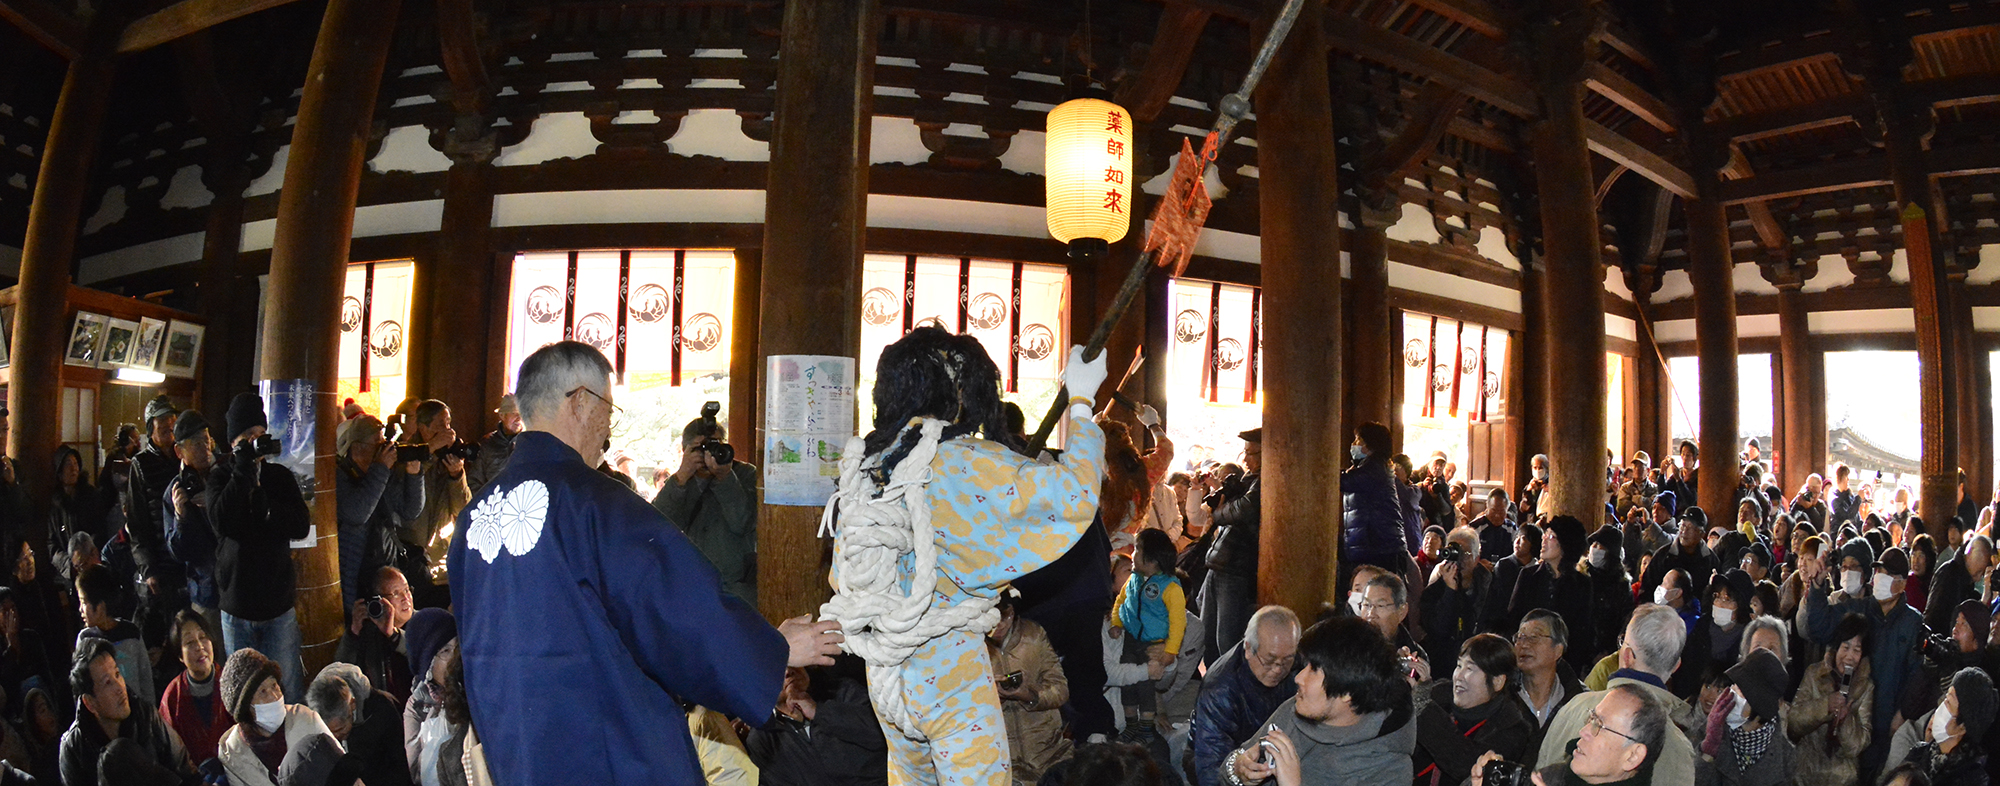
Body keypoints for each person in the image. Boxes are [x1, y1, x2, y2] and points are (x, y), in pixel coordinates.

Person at [447, 341, 841, 785]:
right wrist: (771, 650)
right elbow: (677, 610)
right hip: (606, 746)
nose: (606, 428)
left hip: (517, 748)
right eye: (607, 410)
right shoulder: (595, 503)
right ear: (579, 402)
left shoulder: (475, 517)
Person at [1223, 617, 1415, 786]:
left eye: (1314, 670)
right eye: (1305, 665)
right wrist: (1239, 770)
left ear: (1348, 691)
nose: (1298, 678)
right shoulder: (1295, 710)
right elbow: (1228, 770)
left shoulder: (1390, 770)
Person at [208, 394, 313, 702]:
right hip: (236, 607)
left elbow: (301, 524)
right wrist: (242, 471)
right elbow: (220, 521)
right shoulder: (220, 476)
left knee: (287, 689)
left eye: (259, 435)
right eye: (247, 437)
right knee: (244, 695)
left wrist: (269, 510)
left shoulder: (279, 477)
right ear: (233, 444)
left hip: (277, 606)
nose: (256, 442)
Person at [1537, 605, 1699, 786]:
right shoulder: (1681, 748)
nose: (1586, 730)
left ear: (1627, 656)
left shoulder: (1575, 706)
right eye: (1593, 720)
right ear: (1676, 666)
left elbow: (1540, 771)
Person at [1804, 542, 1926, 781]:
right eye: (1879, 572)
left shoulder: (1913, 623)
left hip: (1888, 724)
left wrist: (1902, 715)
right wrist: (1817, 586)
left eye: (1889, 574)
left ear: (1902, 584)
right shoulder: (1857, 610)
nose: (1881, 578)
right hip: (1852, 719)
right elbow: (1819, 629)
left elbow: (1917, 675)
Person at [651, 407, 760, 602]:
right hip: (693, 587)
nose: (710, 453)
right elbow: (658, 525)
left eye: (715, 445)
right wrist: (682, 476)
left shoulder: (745, 475)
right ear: (685, 451)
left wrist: (725, 477)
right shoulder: (682, 481)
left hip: (738, 590)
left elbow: (742, 523)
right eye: (701, 448)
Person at [59, 637, 194, 786]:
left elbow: (184, 769)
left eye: (117, 674)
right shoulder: (73, 748)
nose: (119, 687)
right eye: (108, 682)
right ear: (90, 703)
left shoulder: (145, 715)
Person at [1191, 606, 1300, 786]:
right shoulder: (1220, 689)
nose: (1278, 669)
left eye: (1287, 660)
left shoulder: (1300, 665)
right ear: (1248, 648)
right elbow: (1210, 766)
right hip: (1229, 758)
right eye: (1269, 661)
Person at [741, 659, 891, 786]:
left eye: (792, 661)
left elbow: (885, 735)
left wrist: (819, 711)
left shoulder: (842, 691)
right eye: (774, 669)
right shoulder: (763, 740)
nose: (787, 672)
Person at [1485, 684, 1671, 786]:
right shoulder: (1552, 777)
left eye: (1600, 725)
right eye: (1591, 719)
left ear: (1632, 756)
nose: (1583, 731)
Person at [1413, 633, 1535, 786]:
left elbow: (1466, 765)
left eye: (1470, 668)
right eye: (1459, 666)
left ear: (1497, 681)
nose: (1459, 676)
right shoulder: (1437, 696)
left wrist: (1423, 707)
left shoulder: (1512, 728)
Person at [336, 414, 425, 612]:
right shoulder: (341, 475)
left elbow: (411, 511)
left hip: (386, 565)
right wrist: (381, 468)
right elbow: (356, 514)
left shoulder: (381, 472)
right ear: (357, 447)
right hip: (355, 572)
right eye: (377, 444)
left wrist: (414, 474)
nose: (384, 449)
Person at [215, 647, 340, 786]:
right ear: (245, 707)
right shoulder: (232, 751)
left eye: (274, 686)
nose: (274, 697)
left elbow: (343, 769)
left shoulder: (306, 719)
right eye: (263, 692)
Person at [989, 591, 1071, 784]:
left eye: (1004, 616)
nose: (999, 626)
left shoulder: (1033, 635)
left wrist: (1029, 695)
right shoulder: (969, 646)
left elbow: (1060, 689)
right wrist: (992, 698)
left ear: (1012, 611)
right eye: (992, 620)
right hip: (1003, 759)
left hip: (1050, 750)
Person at [1113, 529, 1184, 744]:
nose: (1133, 554)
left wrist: (1170, 650)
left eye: (1137, 550)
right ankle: (1131, 725)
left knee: (1146, 687)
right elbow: (1120, 601)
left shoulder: (1170, 587)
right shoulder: (1135, 580)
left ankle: (1145, 729)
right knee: (1128, 688)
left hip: (1152, 643)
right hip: (1131, 640)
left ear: (1152, 560)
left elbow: (1178, 622)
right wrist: (1116, 622)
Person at [401, 400, 472, 609]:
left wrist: (457, 475)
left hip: (441, 560)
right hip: (411, 556)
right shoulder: (407, 453)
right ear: (424, 428)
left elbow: (463, 509)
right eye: (441, 424)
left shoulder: (449, 457)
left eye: (449, 423)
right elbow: (402, 485)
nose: (448, 430)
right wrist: (429, 452)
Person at [1788, 613, 1873, 786]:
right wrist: (1824, 706)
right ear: (1836, 648)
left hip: (1842, 778)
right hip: (1805, 772)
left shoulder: (1866, 686)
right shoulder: (1814, 673)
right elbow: (1793, 724)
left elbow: (1858, 745)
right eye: (1845, 647)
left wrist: (1846, 721)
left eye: (1856, 650)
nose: (1849, 656)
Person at [1202, 428, 1263, 664]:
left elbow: (1244, 508)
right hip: (1219, 563)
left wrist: (1218, 513)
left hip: (1237, 567)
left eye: (1251, 453)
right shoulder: (1247, 479)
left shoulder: (1265, 480)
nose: (1245, 459)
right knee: (1207, 635)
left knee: (1226, 639)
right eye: (1244, 453)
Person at [1694, 649, 1792, 786]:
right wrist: (1709, 750)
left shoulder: (1787, 757)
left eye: (1741, 690)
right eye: (1734, 685)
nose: (1731, 692)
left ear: (1759, 703)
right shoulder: (1708, 733)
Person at [1883, 667, 1995, 786]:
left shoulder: (1972, 779)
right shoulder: (1919, 752)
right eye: (1945, 698)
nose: (1940, 708)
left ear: (1963, 727)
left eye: (1948, 703)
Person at [1512, 516, 1597, 671]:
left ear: (1565, 544)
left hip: (1565, 663)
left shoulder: (1582, 584)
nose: (1543, 540)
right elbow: (1514, 617)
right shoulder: (1528, 576)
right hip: (1527, 658)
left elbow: (1583, 630)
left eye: (1551, 537)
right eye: (1545, 534)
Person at [309, 661, 414, 786]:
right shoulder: (310, 717)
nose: (334, 737)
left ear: (352, 705)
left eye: (339, 729)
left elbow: (400, 766)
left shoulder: (382, 709)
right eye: (327, 731)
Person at [160, 410, 221, 620]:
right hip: (206, 593)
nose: (205, 447)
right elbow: (178, 553)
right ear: (179, 451)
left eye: (206, 440)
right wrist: (181, 517)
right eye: (196, 443)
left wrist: (217, 502)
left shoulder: (224, 477)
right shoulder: (175, 492)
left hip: (236, 588)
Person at [156, 610, 230, 766]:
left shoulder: (231, 683)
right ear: (180, 656)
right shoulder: (172, 697)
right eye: (189, 643)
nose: (199, 646)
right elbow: (169, 752)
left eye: (203, 638)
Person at [334, 566, 417, 702]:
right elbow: (341, 672)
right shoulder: (369, 631)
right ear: (380, 601)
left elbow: (422, 657)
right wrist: (353, 632)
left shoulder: (424, 623)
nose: (405, 598)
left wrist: (393, 634)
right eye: (396, 593)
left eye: (407, 590)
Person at [76, 563, 155, 706]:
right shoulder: (85, 639)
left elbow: (146, 682)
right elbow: (82, 689)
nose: (80, 609)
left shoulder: (131, 633)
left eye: (83, 602)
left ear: (100, 607)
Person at [1343, 423, 1416, 575]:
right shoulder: (1369, 466)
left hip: (1379, 547)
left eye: (1358, 440)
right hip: (1375, 545)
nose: (1353, 445)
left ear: (1371, 444)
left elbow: (1346, 481)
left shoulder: (1375, 467)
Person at [1420, 526, 1491, 677]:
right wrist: (1450, 591)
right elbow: (1438, 629)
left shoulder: (1490, 586)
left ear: (1477, 558)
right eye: (1454, 552)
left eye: (1464, 553)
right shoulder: (1432, 593)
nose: (1459, 560)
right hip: (1443, 667)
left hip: (1482, 665)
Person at [125, 396, 182, 579]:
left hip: (188, 559)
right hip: (161, 562)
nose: (169, 424)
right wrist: (147, 567)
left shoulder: (184, 456)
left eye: (172, 418)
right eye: (162, 420)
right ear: (151, 428)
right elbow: (137, 522)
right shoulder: (140, 463)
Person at [48, 445, 109, 588]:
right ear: (59, 471)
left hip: (91, 564)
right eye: (68, 464)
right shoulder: (56, 505)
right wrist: (69, 564)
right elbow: (52, 544)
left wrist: (86, 556)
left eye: (75, 464)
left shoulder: (91, 495)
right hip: (68, 571)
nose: (73, 468)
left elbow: (101, 529)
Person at [1516, 609, 1585, 736]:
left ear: (1558, 650)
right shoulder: (1502, 693)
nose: (1524, 645)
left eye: (1534, 637)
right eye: (1520, 637)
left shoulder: (1578, 702)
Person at [1643, 507, 1717, 602]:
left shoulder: (1710, 560)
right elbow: (1647, 588)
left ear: (1701, 534)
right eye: (1682, 526)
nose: (1684, 531)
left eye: (1690, 528)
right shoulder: (1663, 555)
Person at [1586, 526, 1636, 660]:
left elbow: (1624, 620)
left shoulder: (1622, 585)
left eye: (1600, 545)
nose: (1594, 548)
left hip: (1605, 653)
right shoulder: (1581, 577)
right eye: (1594, 544)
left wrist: (1610, 651)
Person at [1481, 523, 1539, 635]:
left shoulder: (1537, 569)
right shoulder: (1504, 565)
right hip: (1504, 626)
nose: (1517, 542)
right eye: (1517, 537)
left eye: (1523, 539)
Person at [1927, 534, 1991, 633]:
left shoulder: (1967, 582)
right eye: (1978, 572)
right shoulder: (1948, 574)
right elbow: (1933, 618)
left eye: (1981, 574)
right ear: (1969, 556)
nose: (1979, 579)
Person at [467, 394, 522, 495]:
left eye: (521, 413)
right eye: (514, 413)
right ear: (502, 415)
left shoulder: (530, 444)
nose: (519, 419)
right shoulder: (487, 444)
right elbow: (474, 482)